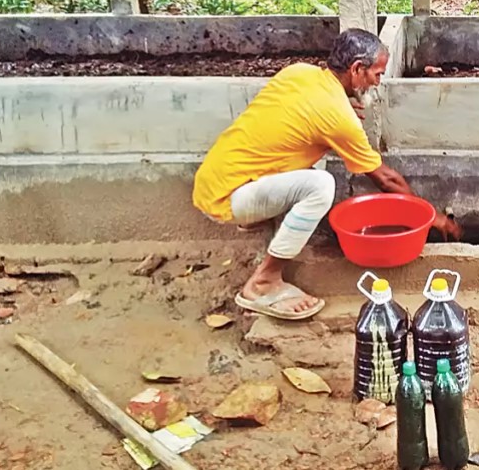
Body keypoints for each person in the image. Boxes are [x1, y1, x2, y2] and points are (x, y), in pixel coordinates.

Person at [192, 29, 462, 321]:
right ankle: (263, 282)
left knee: (313, 156)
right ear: (357, 69)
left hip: (214, 179)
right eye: (377, 74)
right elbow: (386, 179)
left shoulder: (299, 73)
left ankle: (257, 218)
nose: (378, 82)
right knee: (320, 184)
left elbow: (296, 116)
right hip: (228, 199)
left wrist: (340, 106)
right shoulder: (339, 119)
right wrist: (430, 217)